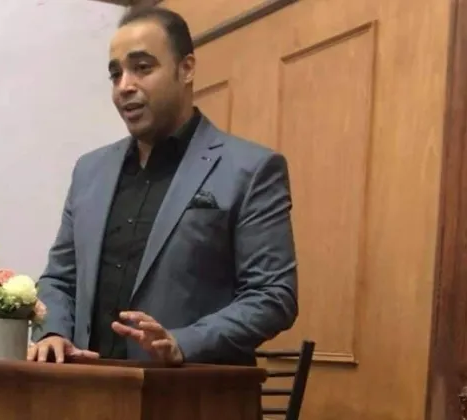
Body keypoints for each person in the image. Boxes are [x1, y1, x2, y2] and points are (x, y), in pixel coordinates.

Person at [27, 6, 298, 366]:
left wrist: (183, 342)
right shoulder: (89, 171)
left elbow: (273, 296)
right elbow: (59, 280)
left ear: (186, 69)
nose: (125, 86)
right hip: (88, 388)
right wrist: (53, 332)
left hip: (190, 390)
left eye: (142, 67)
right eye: (115, 74)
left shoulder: (251, 169)